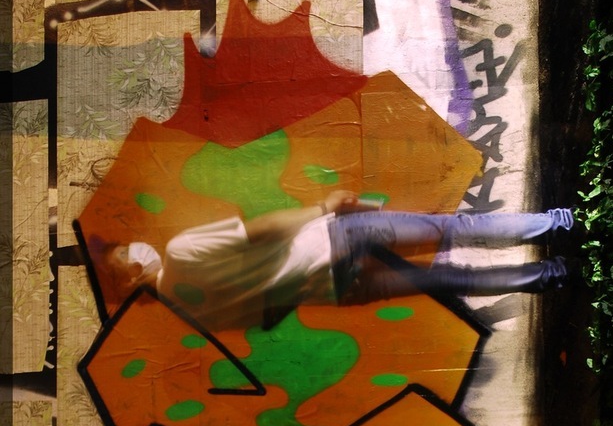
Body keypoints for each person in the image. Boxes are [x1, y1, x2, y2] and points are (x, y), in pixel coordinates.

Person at [99, 191, 575, 331]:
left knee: (452, 280)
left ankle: (552, 275)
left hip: (336, 290)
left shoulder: (191, 315)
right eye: (125, 255)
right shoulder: (178, 251)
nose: (134, 248)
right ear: (131, 278)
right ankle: (559, 223)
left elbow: (269, 315)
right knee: (452, 229)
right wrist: (322, 208)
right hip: (334, 240)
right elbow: (260, 230)